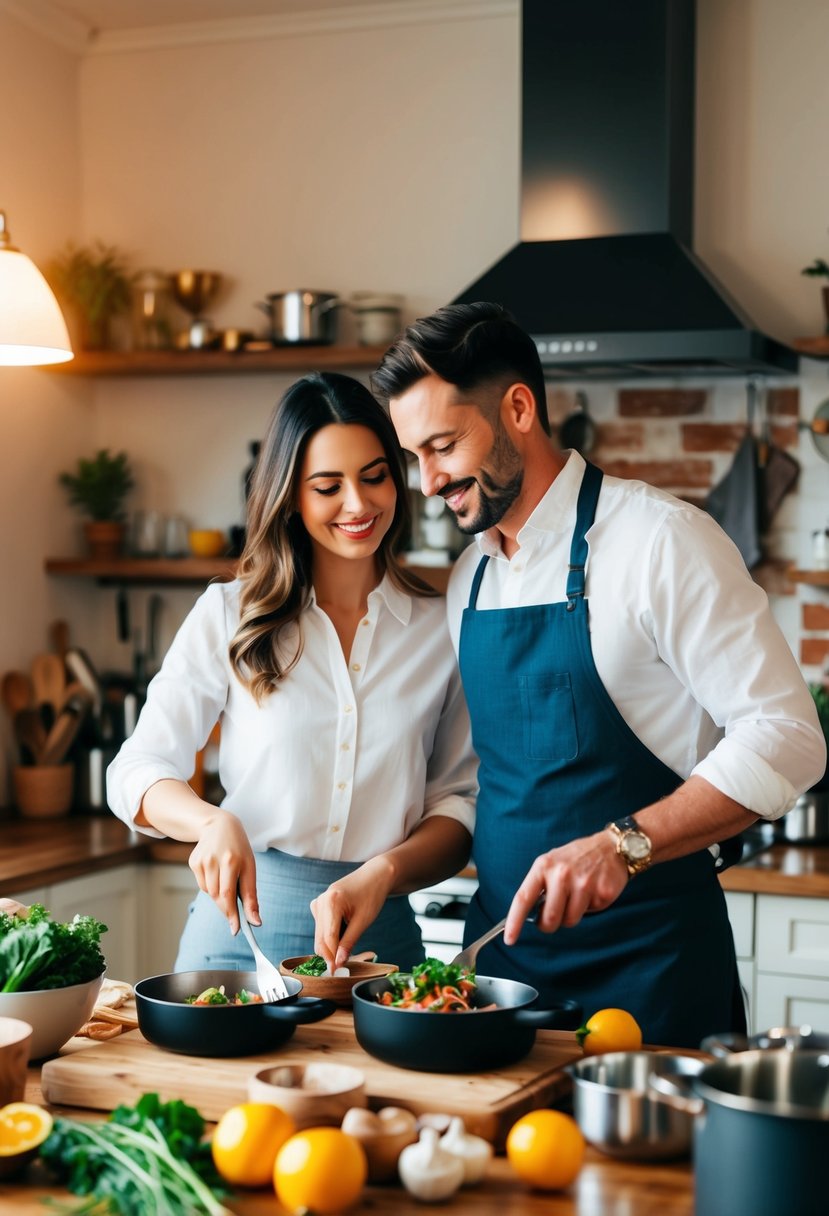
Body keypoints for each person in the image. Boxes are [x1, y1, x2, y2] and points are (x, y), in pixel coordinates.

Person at [370, 301, 826, 1047]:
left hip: (651, 973)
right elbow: (484, 780)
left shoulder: (661, 541)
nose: (425, 482)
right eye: (413, 455)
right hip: (502, 974)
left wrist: (621, 844)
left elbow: (787, 737)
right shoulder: (469, 579)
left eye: (442, 445)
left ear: (517, 407)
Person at [107, 371, 476, 973]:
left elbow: (457, 806)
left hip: (378, 952)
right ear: (291, 496)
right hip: (235, 941)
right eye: (328, 486)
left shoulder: (443, 629)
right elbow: (136, 771)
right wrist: (210, 822)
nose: (358, 504)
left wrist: (383, 873)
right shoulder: (230, 614)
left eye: (375, 476)